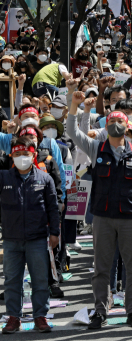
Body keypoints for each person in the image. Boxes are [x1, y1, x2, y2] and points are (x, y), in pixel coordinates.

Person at [66, 92, 132, 329]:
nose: (115, 125)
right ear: (106, 126)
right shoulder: (95, 148)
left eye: (120, 122)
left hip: (130, 217)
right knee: (101, 268)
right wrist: (75, 106)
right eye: (111, 121)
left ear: (128, 126)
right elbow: (73, 133)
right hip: (103, 217)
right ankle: (101, 311)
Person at [1, 137, 59, 334]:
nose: (21, 158)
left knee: (40, 279)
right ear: (11, 156)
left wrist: (55, 233)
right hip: (11, 239)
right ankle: (13, 317)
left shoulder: (45, 178)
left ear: (33, 155)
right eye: (17, 154)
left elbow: (53, 208)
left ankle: (40, 316)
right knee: (11, 280)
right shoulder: (3, 178)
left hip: (37, 238)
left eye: (25, 154)